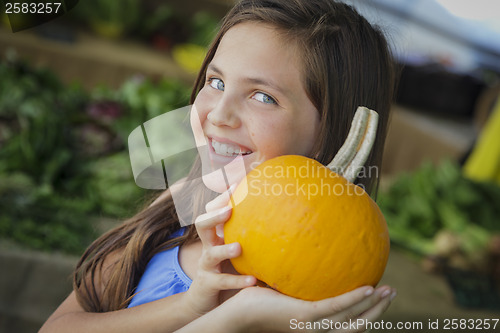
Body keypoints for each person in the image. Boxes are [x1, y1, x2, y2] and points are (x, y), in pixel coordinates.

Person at [40, 0, 398, 332]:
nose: (219, 114)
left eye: (263, 97)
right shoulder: (182, 200)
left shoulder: (315, 293)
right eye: (216, 82)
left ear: (336, 131)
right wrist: (189, 308)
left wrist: (237, 318)